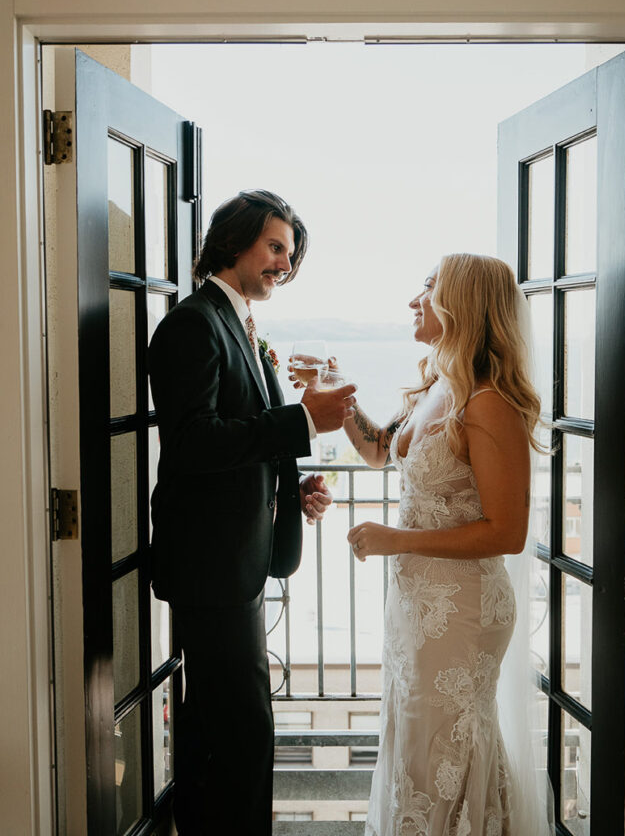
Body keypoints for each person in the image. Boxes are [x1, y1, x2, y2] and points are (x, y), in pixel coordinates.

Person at [148, 189, 357, 836]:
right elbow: (190, 442)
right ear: (234, 241)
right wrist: (300, 419)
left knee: (215, 729)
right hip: (212, 569)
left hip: (234, 561)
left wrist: (286, 494)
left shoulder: (237, 322)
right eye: (274, 248)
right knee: (243, 731)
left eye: (290, 255)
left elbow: (233, 448)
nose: (283, 266)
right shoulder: (193, 322)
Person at [344, 253, 551, 836]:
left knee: (442, 751)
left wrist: (395, 539)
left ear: (460, 303)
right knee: (415, 744)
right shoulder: (439, 384)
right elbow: (381, 451)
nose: (415, 299)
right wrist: (340, 399)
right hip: (420, 604)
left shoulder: (488, 403)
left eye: (428, 286)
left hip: (460, 611)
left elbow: (507, 533)